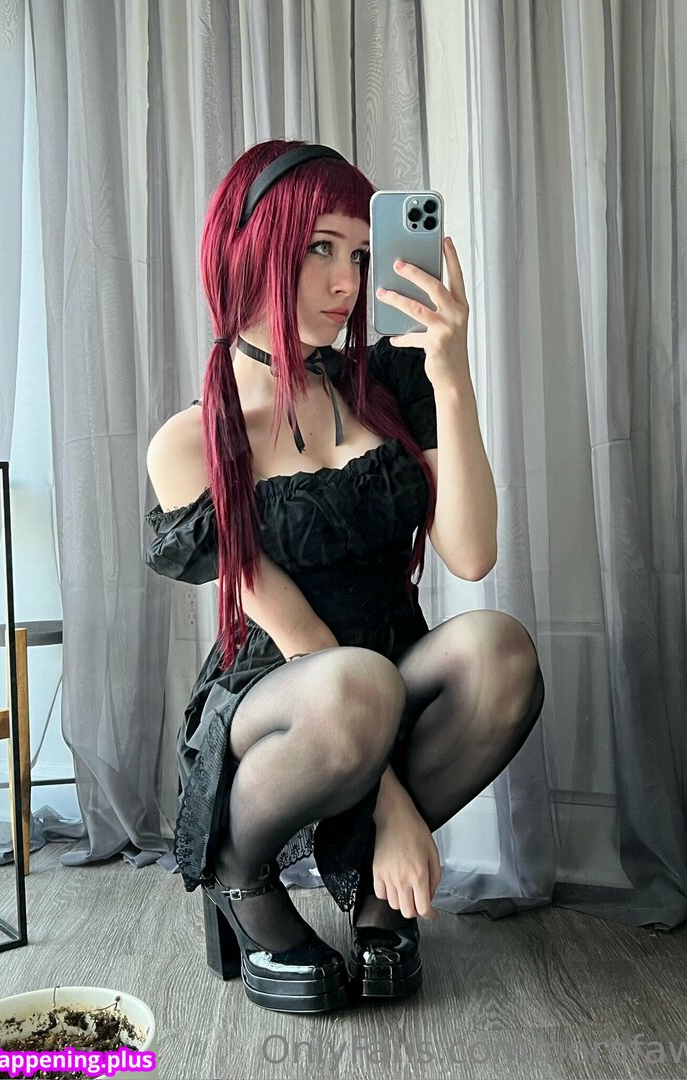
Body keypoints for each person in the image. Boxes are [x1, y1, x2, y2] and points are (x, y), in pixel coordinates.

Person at [144, 139, 545, 1015]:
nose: (347, 282)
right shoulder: (192, 440)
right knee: (352, 684)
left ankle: (361, 881)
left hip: (388, 672)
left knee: (501, 651)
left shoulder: (389, 382)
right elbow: (299, 638)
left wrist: (451, 373)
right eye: (320, 248)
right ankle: (238, 871)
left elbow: (472, 554)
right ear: (252, 247)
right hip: (282, 698)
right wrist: (392, 808)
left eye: (362, 255)